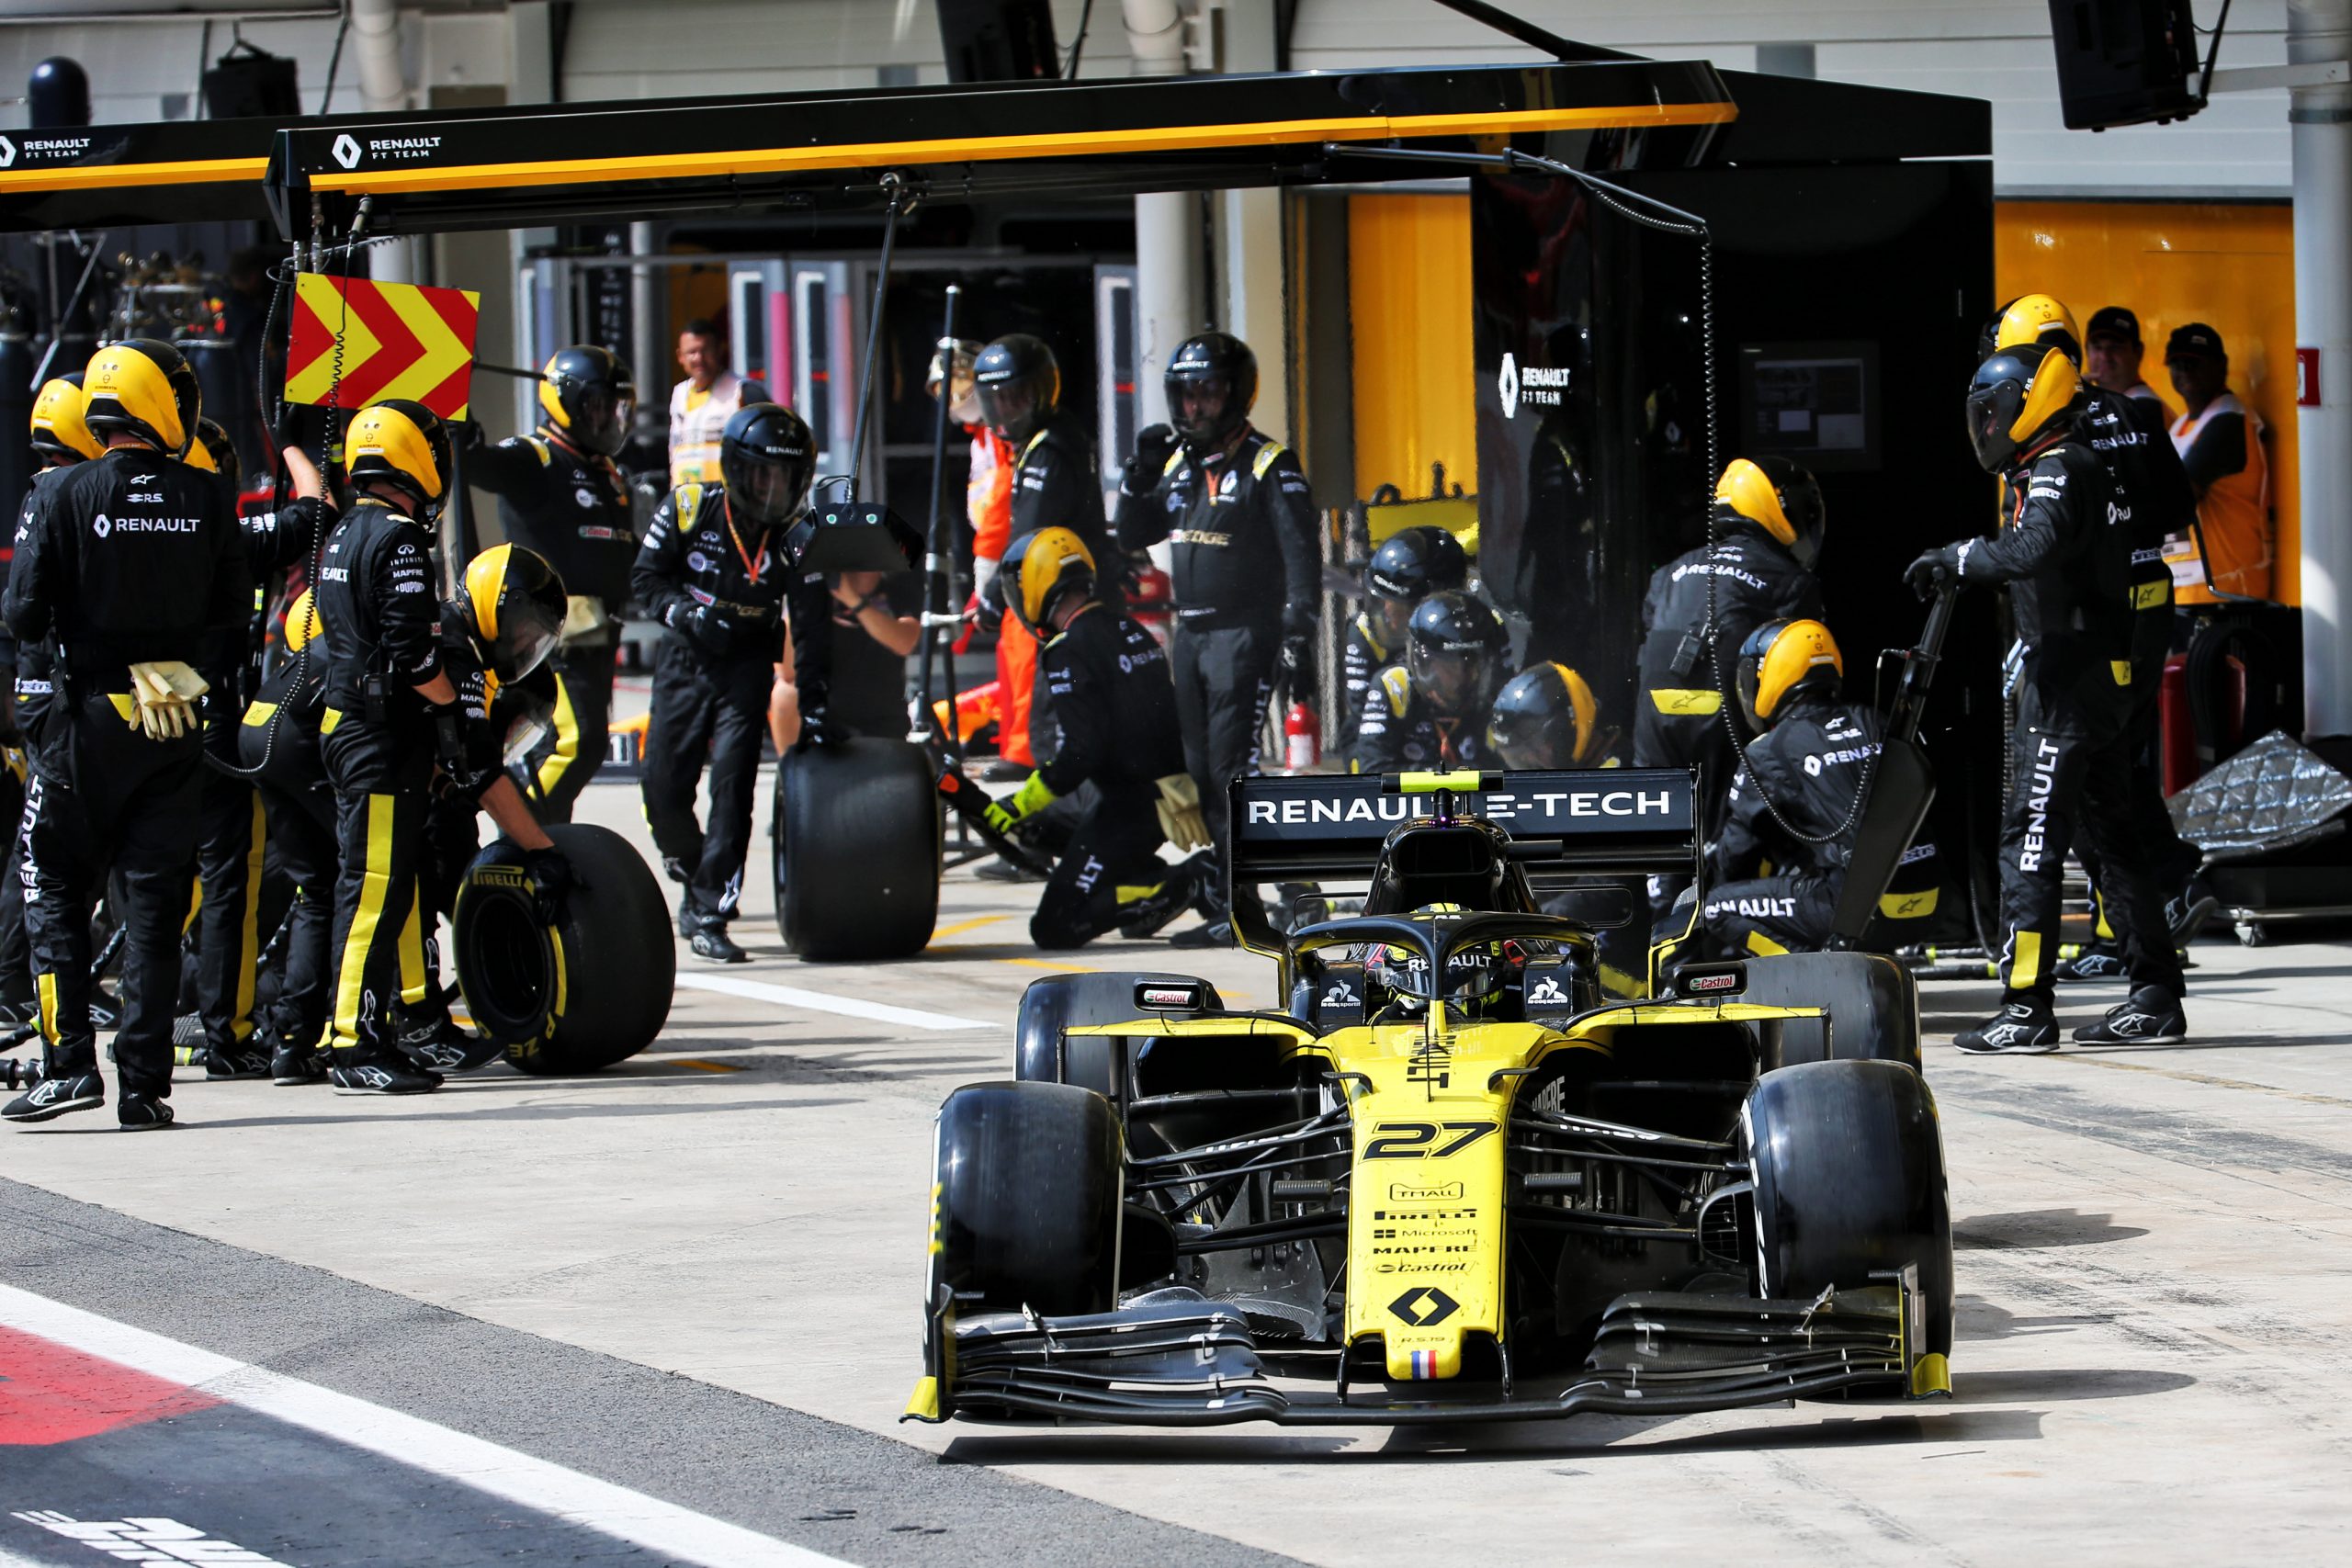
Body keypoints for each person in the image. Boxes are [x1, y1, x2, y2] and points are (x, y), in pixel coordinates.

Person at [1905, 342, 2185, 1053]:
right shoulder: (2085, 456)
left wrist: (1957, 558)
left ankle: (2026, 1005)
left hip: (2069, 686)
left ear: (2030, 403)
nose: (1986, 425)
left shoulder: (2058, 467)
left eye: (1992, 411)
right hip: (2106, 677)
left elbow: (2029, 550)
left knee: (2030, 834)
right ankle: (2154, 994)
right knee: (2109, 832)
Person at [1, 339, 248, 1129]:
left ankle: (68, 1060)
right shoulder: (209, 497)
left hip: (87, 720)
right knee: (153, 906)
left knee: (52, 885)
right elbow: (230, 617)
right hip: (172, 711)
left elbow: (22, 614)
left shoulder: (59, 490)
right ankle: (144, 1085)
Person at [315, 400, 564, 1095]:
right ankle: (350, 1042)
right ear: (415, 460)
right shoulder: (397, 539)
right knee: (371, 893)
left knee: (392, 886)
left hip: (348, 728)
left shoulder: (342, 531)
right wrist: (455, 705)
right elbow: (412, 655)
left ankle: (406, 1023)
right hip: (379, 737)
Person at [1985, 296, 2208, 967]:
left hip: (2080, 632)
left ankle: (2051, 982)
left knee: (2064, 801)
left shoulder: (2053, 431)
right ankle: (2139, 947)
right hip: (2144, 616)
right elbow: (2174, 507)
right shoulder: (2132, 414)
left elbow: (2036, 543)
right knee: (2116, 783)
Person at [1113, 332, 1317, 946]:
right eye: (1186, 394)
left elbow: (1301, 556)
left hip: (1243, 635)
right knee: (1201, 775)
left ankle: (1241, 908)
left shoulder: (1268, 463)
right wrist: (1137, 476)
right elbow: (1132, 534)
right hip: (1191, 632)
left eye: (1206, 393)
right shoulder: (1176, 465)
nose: (1194, 406)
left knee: (1233, 774)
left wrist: (1297, 633)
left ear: (1236, 394)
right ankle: (1224, 899)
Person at [978, 525, 1212, 949]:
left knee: (1054, 928)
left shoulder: (1067, 649)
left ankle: (1187, 881)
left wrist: (1023, 798)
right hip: (1150, 793)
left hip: (1126, 806)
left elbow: (1083, 750)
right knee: (1029, 830)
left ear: (1035, 585)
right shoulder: (1129, 629)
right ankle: (1142, 878)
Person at [635, 402, 809, 964]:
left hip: (747, 666)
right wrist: (684, 614)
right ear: (735, 468)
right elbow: (646, 579)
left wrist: (815, 693)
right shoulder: (689, 507)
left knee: (732, 789)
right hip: (686, 657)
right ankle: (690, 869)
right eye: (760, 473)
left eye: (783, 476)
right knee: (662, 785)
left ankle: (712, 911)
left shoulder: (795, 535)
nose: (770, 487)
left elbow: (810, 620)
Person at [1686, 619, 1940, 960]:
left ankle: (1818, 974)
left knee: (1715, 908)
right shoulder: (1878, 721)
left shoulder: (1769, 751)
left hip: (1860, 914)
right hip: (1930, 903)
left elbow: (1736, 854)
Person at [462, 344, 638, 821]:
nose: (608, 419)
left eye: (616, 408)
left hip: (598, 636)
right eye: (598, 406)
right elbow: (479, 465)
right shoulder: (534, 458)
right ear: (566, 401)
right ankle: (526, 839)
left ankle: (546, 847)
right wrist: (460, 416)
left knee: (572, 746)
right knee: (577, 743)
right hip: (547, 636)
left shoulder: (608, 473)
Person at [0, 376, 106, 1029]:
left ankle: (54, 980)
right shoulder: (57, 495)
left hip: (52, 693)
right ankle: (14, 980)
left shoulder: (48, 490)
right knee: (42, 854)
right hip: (53, 698)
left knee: (66, 851)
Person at [236, 589, 336, 1083]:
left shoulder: (294, 661)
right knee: (374, 875)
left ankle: (292, 1044)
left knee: (317, 890)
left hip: (259, 729)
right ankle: (373, 1026)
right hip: (300, 739)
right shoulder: (338, 651)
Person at [928, 339, 1032, 779]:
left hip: (1014, 558)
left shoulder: (1003, 436)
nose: (948, 402)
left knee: (1023, 656)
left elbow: (1004, 503)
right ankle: (1015, 746)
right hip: (997, 560)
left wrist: (987, 570)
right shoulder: (982, 438)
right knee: (1010, 657)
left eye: (952, 389)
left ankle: (1025, 753)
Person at [2162, 322, 2273, 606]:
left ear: (2221, 365)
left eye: (2194, 362)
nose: (2185, 369)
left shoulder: (2229, 421)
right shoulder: (2182, 426)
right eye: (2178, 362)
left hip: (2228, 593)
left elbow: (2178, 496)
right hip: (2190, 592)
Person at [1342, 525, 1469, 762]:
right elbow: (1363, 720)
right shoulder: (1363, 633)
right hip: (1389, 738)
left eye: (1403, 607)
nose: (1388, 615)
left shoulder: (1478, 631)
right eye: (1381, 602)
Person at [1354, 590, 1510, 773]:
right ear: (1424, 662)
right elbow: (1372, 770)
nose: (1461, 674)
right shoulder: (1394, 687)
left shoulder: (1498, 699)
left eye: (1472, 663)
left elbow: (1510, 772)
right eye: (1450, 664)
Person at [667, 317, 750, 489]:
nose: (699, 358)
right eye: (692, 352)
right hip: (686, 500)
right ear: (680, 357)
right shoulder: (679, 394)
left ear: (720, 350)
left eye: (706, 351)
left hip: (725, 499)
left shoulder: (741, 391)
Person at [2084, 306, 2173, 421]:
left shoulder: (2143, 407)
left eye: (2115, 347)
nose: (2105, 356)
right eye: (2097, 347)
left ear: (2138, 352)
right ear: (2086, 351)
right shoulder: (2105, 405)